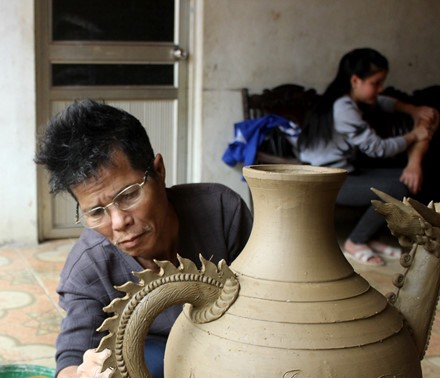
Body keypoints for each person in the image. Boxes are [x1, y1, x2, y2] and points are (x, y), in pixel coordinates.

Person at [34, 99, 253, 378]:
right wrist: (80, 373)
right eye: (96, 212)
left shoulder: (221, 212)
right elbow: (73, 355)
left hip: (233, 346)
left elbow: (266, 298)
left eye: (128, 195)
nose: (119, 222)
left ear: (159, 171)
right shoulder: (90, 265)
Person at [297, 47, 439, 266]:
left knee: (405, 176)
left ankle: (370, 237)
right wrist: (414, 135)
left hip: (343, 172)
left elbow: (382, 101)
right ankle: (355, 241)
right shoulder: (343, 107)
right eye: (376, 83)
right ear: (355, 80)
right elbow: (378, 149)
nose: (380, 89)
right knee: (397, 187)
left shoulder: (344, 99)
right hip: (324, 179)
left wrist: (411, 109)